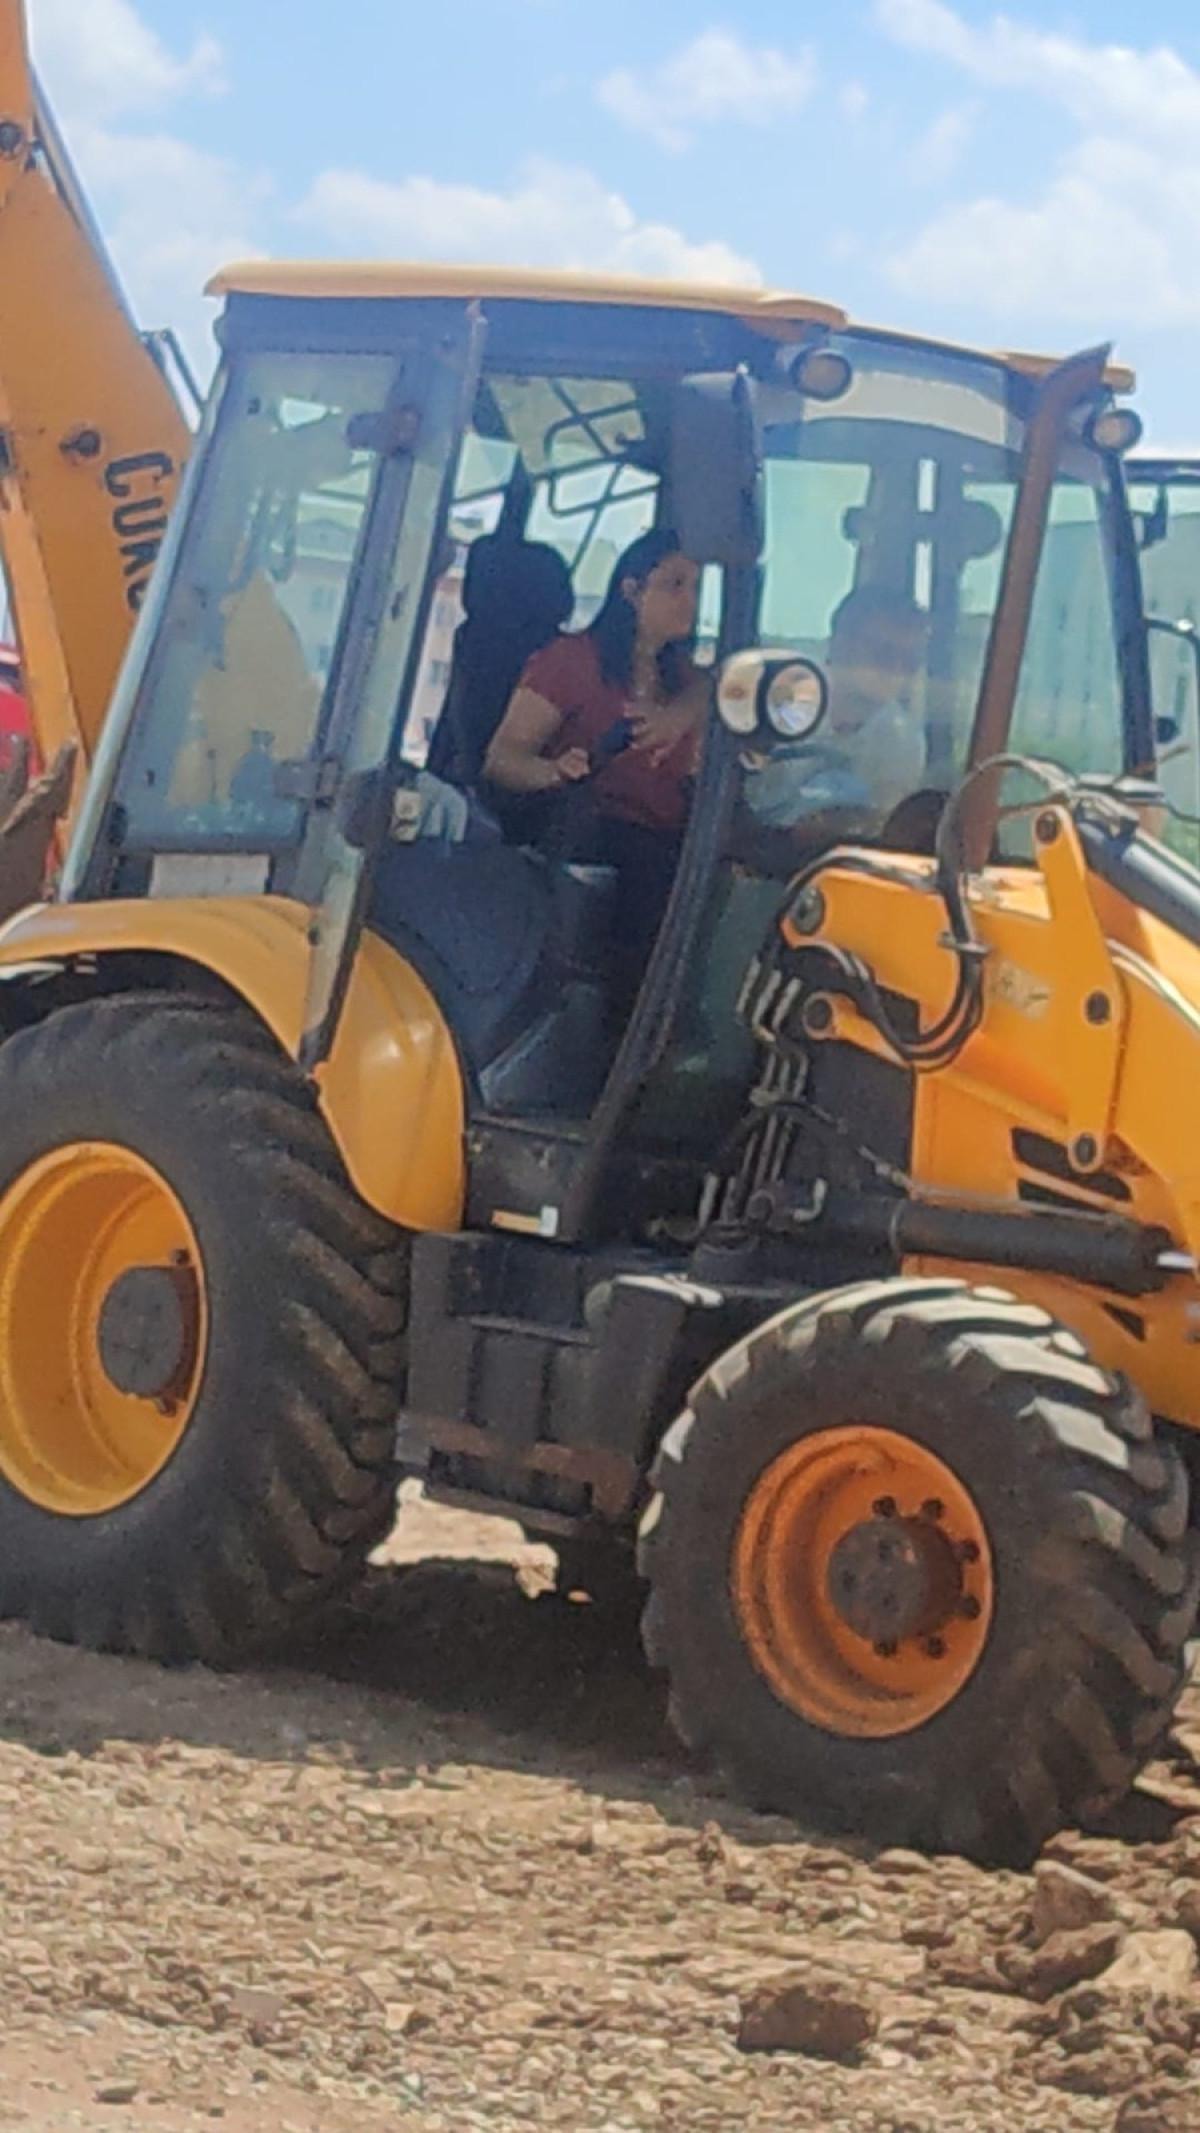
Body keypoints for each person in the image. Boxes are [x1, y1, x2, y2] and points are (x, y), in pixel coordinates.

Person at [484, 528, 710, 1004]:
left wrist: (677, 716)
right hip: (600, 846)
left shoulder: (686, 680)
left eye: (696, 587)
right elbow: (502, 759)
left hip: (677, 845)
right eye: (674, 585)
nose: (690, 601)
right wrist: (555, 771)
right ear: (630, 590)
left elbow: (722, 686)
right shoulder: (570, 661)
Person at [742, 586, 930, 845]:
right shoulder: (776, 703)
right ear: (840, 645)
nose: (896, 669)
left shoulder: (902, 741)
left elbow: (884, 826)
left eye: (910, 660)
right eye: (883, 653)